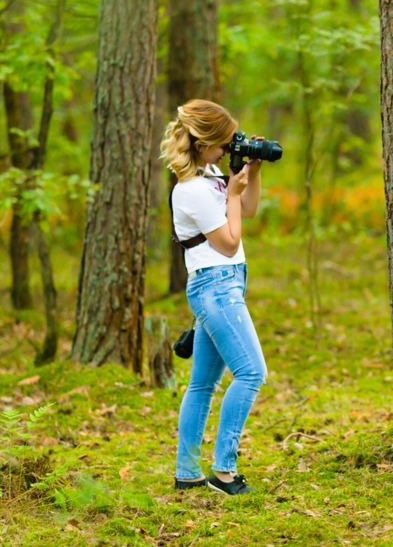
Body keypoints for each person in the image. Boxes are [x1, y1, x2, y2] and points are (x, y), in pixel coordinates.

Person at [160, 99, 267, 494]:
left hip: (225, 283)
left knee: (202, 384)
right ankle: (224, 472)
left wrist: (249, 174)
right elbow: (227, 242)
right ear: (202, 143)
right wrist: (233, 195)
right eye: (221, 144)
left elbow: (249, 209)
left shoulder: (212, 178)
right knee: (252, 373)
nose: (227, 151)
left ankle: (186, 473)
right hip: (215, 285)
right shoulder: (190, 190)